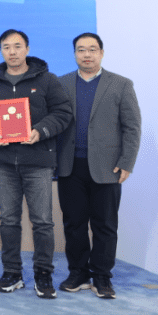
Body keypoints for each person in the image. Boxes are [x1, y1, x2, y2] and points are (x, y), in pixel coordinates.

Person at [0, 29, 72, 299]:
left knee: (42, 222)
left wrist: (41, 130)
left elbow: (63, 113)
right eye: (6, 47)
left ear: (27, 49)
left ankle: (43, 274)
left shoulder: (47, 80)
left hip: (38, 162)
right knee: (8, 220)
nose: (12, 52)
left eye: (17, 46)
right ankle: (12, 273)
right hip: (4, 163)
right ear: (1, 51)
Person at [57, 32, 141, 299]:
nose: (87, 55)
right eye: (81, 50)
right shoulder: (61, 84)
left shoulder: (121, 84)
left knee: (105, 225)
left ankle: (102, 277)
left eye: (92, 49)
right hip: (70, 166)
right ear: (74, 54)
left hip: (108, 168)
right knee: (74, 224)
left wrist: (127, 162)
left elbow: (132, 127)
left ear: (101, 53)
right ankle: (78, 273)